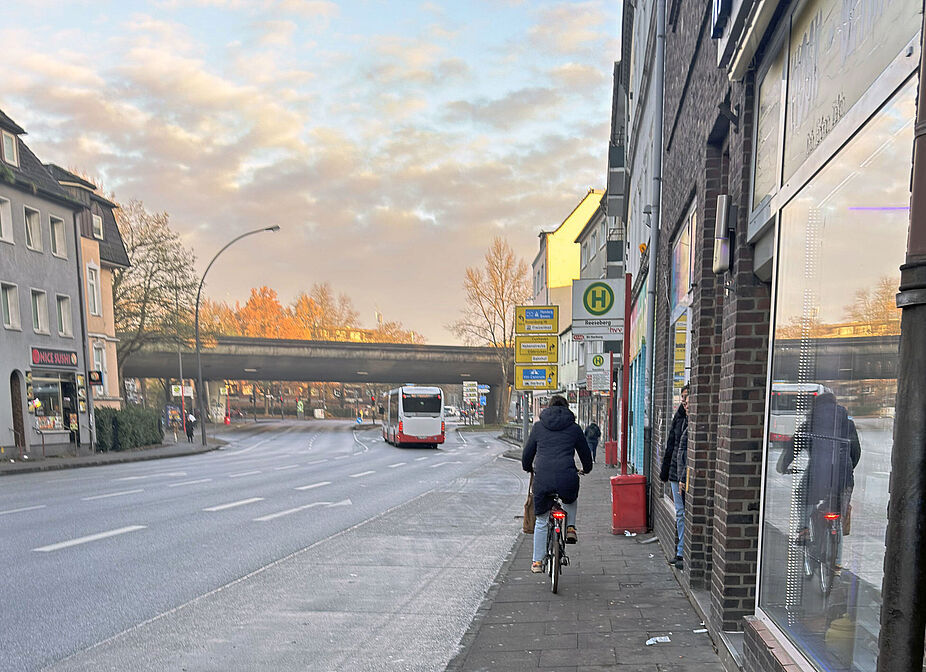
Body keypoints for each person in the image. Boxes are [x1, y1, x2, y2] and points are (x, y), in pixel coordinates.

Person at [776, 391, 861, 548]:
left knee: (801, 495)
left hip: (817, 476)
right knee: (838, 507)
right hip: (844, 477)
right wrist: (848, 469)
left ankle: (804, 531)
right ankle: (835, 546)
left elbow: (793, 448)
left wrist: (782, 467)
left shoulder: (810, 423)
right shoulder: (848, 424)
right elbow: (856, 452)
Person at [522, 395, 593, 574]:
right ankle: (570, 527)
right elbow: (585, 453)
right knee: (570, 498)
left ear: (548, 407)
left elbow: (527, 454)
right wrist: (586, 469)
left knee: (542, 520)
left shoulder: (538, 427)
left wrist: (528, 467)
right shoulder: (574, 428)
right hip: (566, 475)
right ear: (567, 408)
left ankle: (537, 562)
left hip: (543, 478)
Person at [660, 384, 688, 569]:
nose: (685, 401)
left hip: (684, 474)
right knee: (680, 512)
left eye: (688, 397)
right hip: (675, 473)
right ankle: (679, 551)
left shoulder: (691, 421)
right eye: (683, 397)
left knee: (683, 512)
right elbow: (672, 446)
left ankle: (682, 552)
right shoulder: (679, 418)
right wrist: (666, 471)